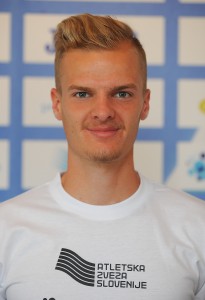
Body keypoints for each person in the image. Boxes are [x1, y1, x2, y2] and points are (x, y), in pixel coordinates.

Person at [0, 13, 205, 300]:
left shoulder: (198, 227)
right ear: (57, 104)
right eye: (83, 94)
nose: (103, 111)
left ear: (144, 104)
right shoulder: (6, 228)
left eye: (121, 94)